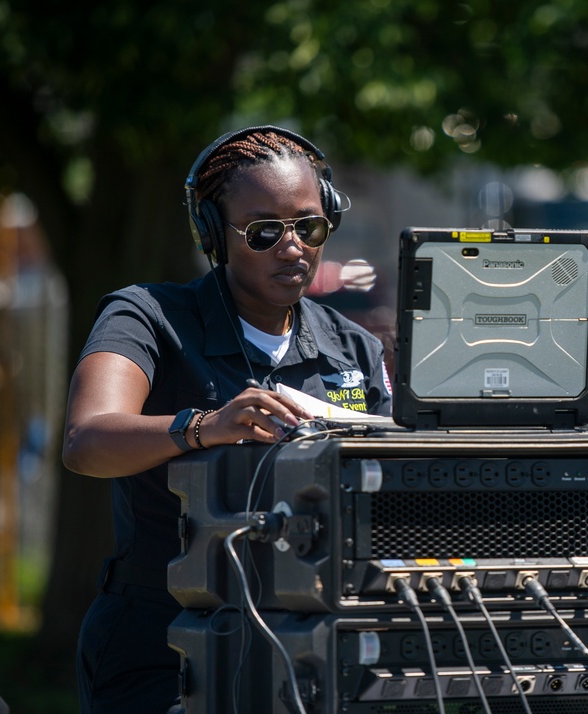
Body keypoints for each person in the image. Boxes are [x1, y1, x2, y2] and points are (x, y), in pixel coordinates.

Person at [62, 126, 393, 714]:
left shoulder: (354, 348)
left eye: (309, 227)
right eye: (264, 231)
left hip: (313, 640)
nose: (292, 247)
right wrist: (204, 426)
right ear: (213, 233)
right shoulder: (147, 315)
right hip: (164, 644)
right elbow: (87, 440)